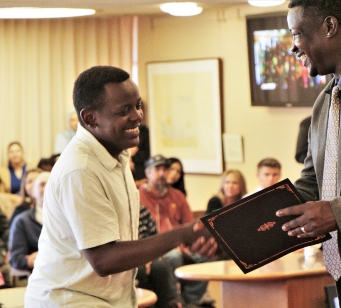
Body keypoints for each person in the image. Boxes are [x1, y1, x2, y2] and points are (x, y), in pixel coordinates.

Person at [25, 66, 216, 307]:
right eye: (124, 110)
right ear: (90, 118)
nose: (138, 116)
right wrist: (184, 233)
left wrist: (196, 235)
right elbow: (105, 259)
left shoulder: (118, 157)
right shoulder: (80, 169)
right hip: (71, 301)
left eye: (137, 105)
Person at [275, 1, 341, 307]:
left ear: (330, 26)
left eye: (297, 34)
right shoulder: (325, 102)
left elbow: (334, 207)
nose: (294, 48)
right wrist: (250, 221)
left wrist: (337, 213)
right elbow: (313, 182)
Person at [139, 154, 214, 307]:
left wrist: (189, 244)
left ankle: (191, 300)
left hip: (182, 244)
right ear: (147, 173)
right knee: (173, 256)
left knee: (207, 257)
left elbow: (191, 226)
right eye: (157, 169)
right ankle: (175, 300)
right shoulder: (139, 196)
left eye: (165, 169)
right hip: (159, 247)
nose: (162, 173)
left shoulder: (177, 196)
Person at [136, 205, 183, 308]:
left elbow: (154, 239)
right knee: (140, 271)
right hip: (130, 259)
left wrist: (149, 259)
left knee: (161, 266)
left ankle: (172, 304)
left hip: (149, 255)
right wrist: (141, 260)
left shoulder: (143, 210)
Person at [8, 172, 50, 272]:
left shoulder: (68, 218)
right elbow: (16, 259)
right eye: (42, 184)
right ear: (33, 192)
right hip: (37, 274)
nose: (46, 188)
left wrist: (44, 255)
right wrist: (34, 260)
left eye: (50, 183)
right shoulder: (22, 221)